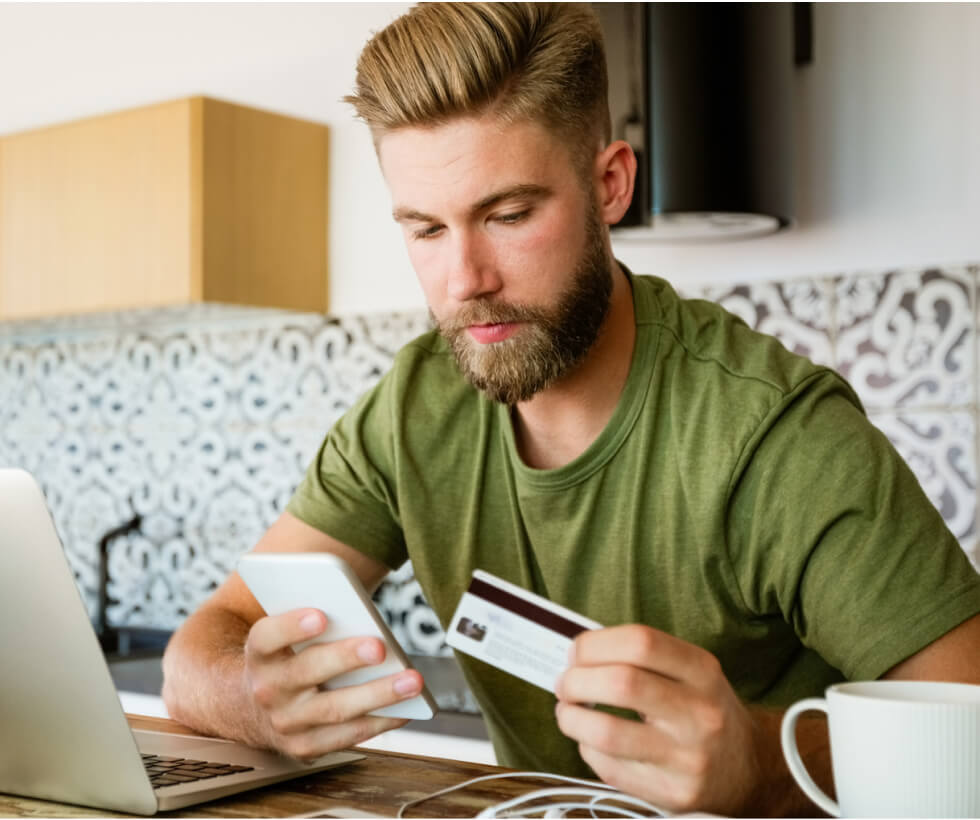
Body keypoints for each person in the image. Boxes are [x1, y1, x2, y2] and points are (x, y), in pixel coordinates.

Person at [162, 4, 980, 815]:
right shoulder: (413, 409)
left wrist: (759, 761)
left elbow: (969, 730)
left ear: (610, 184)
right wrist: (249, 690)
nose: (464, 278)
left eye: (509, 215)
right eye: (425, 230)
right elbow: (209, 640)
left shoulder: (774, 434)